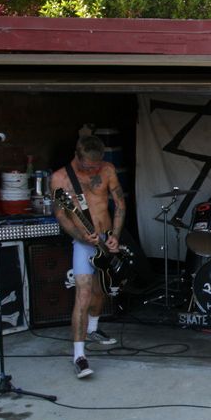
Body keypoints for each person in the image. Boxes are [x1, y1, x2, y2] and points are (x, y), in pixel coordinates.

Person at [51, 135, 126, 379]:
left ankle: (93, 328)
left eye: (97, 165)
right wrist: (81, 236)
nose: (93, 170)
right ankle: (79, 356)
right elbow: (61, 215)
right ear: (77, 154)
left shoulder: (108, 169)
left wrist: (115, 236)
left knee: (99, 290)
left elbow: (120, 204)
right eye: (88, 166)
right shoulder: (60, 178)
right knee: (83, 294)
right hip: (83, 242)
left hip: (107, 239)